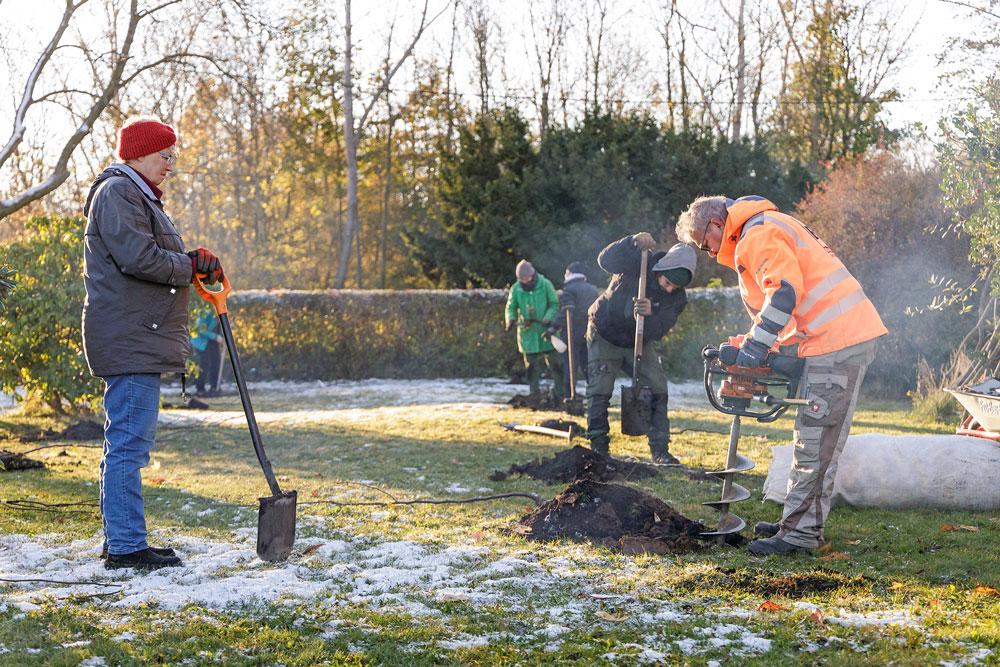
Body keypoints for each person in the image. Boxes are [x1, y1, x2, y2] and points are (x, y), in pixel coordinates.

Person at [676, 195, 887, 555]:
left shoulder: (756, 235)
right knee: (809, 436)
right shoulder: (765, 226)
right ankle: (796, 519)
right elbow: (782, 310)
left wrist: (756, 349)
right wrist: (750, 342)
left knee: (815, 441)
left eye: (704, 243)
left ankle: (800, 536)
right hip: (830, 339)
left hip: (836, 340)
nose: (709, 253)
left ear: (715, 225)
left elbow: (784, 294)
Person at [82, 117, 225, 571]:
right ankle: (126, 548)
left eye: (172, 154)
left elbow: (149, 254)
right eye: (164, 153)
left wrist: (190, 260)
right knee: (128, 445)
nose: (170, 162)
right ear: (140, 153)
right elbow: (138, 257)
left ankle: (123, 539)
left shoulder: (136, 195)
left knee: (126, 444)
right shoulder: (119, 192)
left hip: (136, 336)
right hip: (130, 339)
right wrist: (187, 264)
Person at [586, 234, 696, 463]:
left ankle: (660, 450)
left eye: (674, 287)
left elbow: (660, 330)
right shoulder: (639, 261)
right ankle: (599, 450)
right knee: (600, 389)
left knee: (658, 386)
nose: (669, 290)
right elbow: (605, 261)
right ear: (661, 270)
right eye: (667, 283)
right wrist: (631, 242)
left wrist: (651, 314)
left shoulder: (677, 298)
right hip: (604, 332)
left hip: (638, 340)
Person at [504, 260, 564, 403]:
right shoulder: (516, 288)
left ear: (532, 275)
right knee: (531, 367)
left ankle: (560, 393)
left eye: (526, 278)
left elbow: (554, 304)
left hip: (547, 332)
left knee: (556, 365)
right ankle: (534, 394)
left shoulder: (546, 284)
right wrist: (511, 319)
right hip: (528, 333)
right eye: (522, 279)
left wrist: (548, 317)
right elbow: (510, 306)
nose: (525, 282)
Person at [558, 261, 599, 398]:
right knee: (589, 366)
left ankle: (570, 396)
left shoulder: (568, 289)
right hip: (589, 334)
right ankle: (594, 395)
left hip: (572, 334)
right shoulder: (592, 290)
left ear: (569, 273)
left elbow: (566, 313)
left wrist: (552, 328)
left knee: (570, 367)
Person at [191, 310, 224, 396]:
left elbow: (220, 328)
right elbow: (202, 330)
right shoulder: (206, 313)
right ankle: (200, 388)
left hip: (211, 341)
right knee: (205, 364)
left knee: (216, 361)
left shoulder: (221, 312)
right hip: (201, 341)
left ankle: (214, 387)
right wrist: (215, 337)